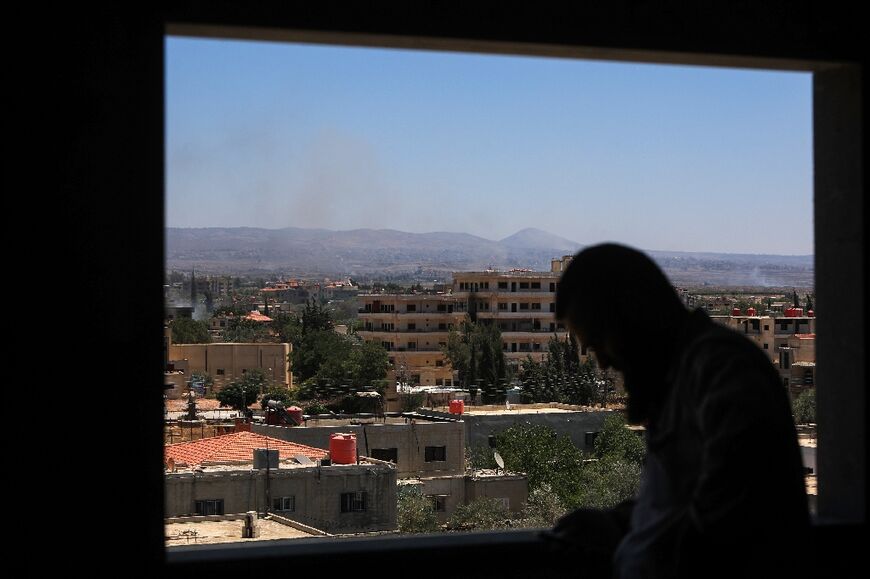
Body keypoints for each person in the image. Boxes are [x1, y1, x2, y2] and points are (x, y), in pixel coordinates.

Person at [546, 243, 810, 579]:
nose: (602, 362)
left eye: (600, 342)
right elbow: (678, 507)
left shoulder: (722, 374)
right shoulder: (676, 378)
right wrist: (615, 524)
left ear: (632, 314)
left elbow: (729, 527)